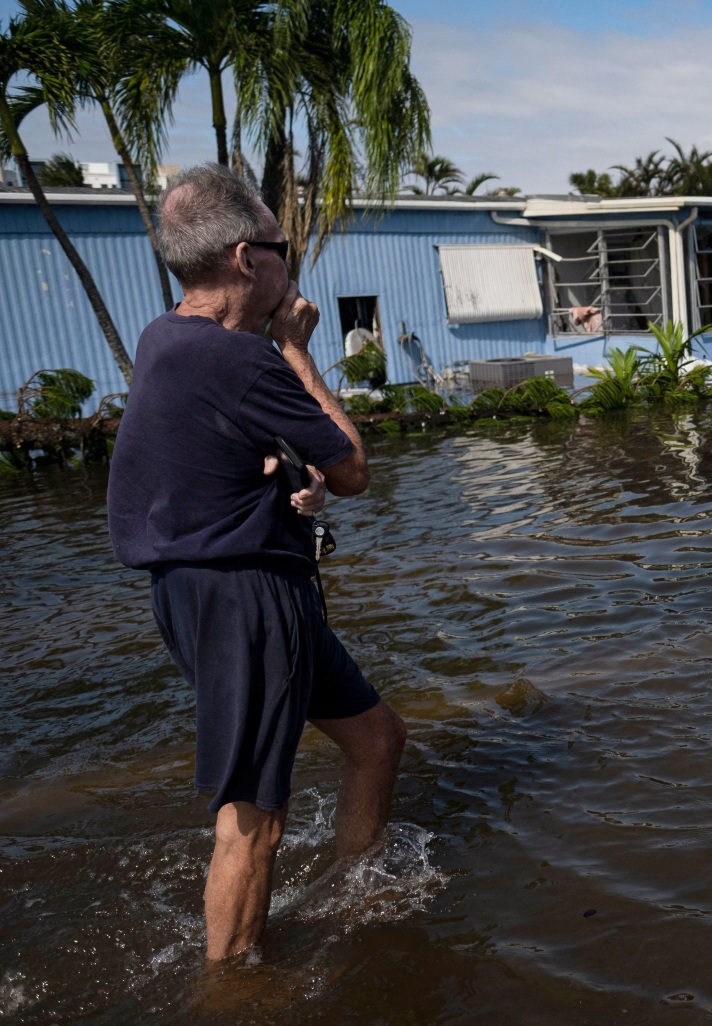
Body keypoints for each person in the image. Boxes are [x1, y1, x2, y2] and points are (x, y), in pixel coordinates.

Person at [106, 163, 407, 961]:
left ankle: (355, 893)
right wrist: (298, 352)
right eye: (283, 246)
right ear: (247, 259)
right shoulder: (242, 359)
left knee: (377, 739)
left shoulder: (166, 336)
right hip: (241, 598)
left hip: (233, 587)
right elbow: (351, 468)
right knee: (253, 815)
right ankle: (230, 991)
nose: (290, 263)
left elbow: (213, 455)